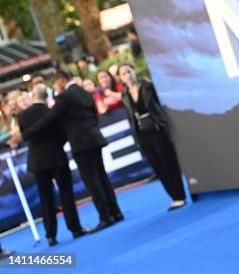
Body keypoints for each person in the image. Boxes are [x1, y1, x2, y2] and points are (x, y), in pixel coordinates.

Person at [20, 70, 124, 232]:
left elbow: (50, 118)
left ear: (61, 80)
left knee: (93, 181)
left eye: (55, 84)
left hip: (81, 144)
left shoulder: (65, 97)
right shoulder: (84, 91)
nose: (55, 88)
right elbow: (93, 113)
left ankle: (105, 216)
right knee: (102, 177)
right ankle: (116, 212)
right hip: (94, 138)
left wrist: (28, 133)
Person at [12, 84, 89, 246]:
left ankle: (50, 235)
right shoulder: (51, 112)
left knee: (46, 198)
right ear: (46, 96)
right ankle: (75, 228)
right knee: (66, 194)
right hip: (56, 156)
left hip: (37, 161)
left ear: (33, 96)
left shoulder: (23, 116)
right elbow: (63, 134)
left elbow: (24, 136)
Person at [117, 63, 187, 211]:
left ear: (134, 71)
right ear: (121, 78)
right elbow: (131, 117)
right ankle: (174, 197)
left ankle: (180, 195)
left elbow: (160, 105)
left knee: (168, 161)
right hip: (142, 133)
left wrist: (163, 123)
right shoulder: (124, 94)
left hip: (156, 128)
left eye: (129, 71)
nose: (127, 75)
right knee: (158, 166)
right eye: (123, 74)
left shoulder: (148, 85)